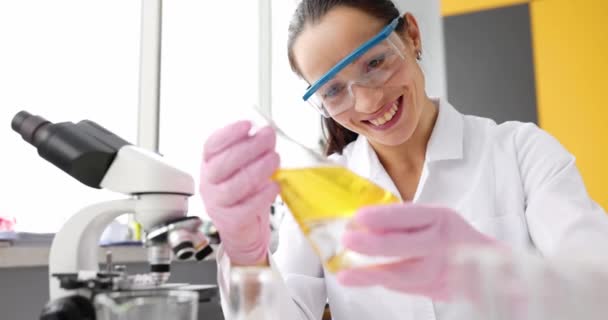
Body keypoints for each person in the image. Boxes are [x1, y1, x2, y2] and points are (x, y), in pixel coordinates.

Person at [199, 0, 608, 319]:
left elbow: (599, 293)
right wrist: (247, 257)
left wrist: (489, 272)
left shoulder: (521, 153)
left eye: (375, 62)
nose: (368, 100)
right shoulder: (318, 193)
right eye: (333, 91)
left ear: (411, 35)